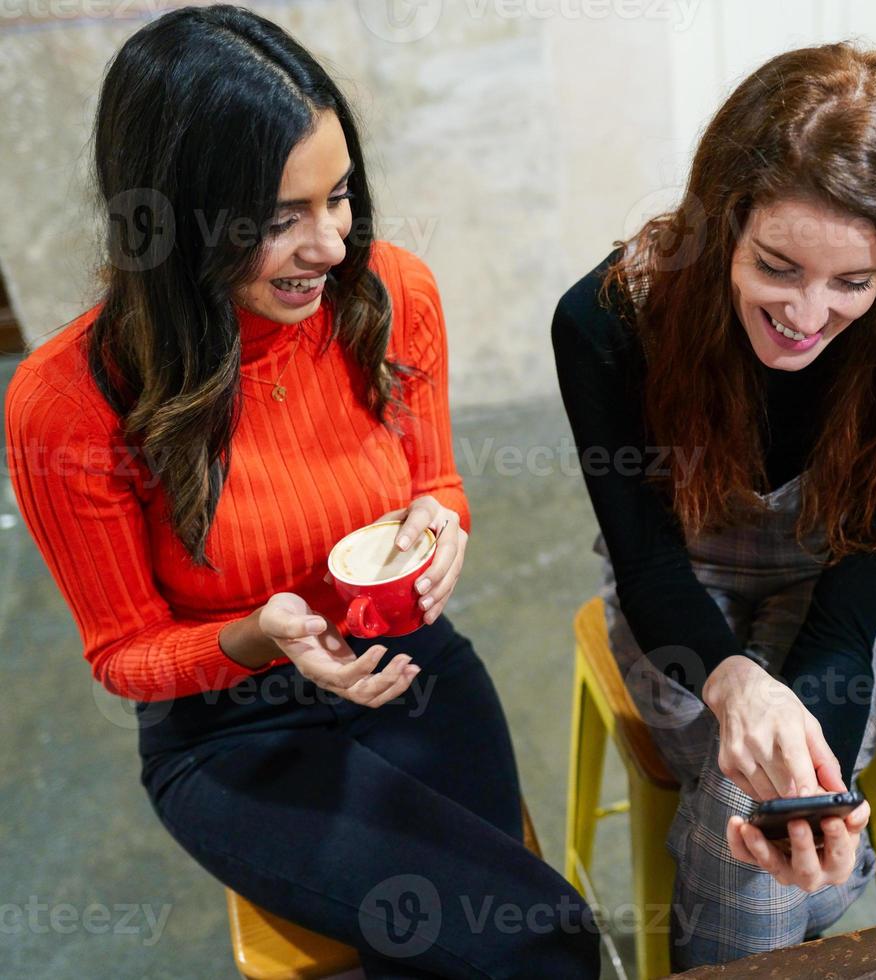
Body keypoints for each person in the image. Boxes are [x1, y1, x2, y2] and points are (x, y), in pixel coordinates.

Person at [5, 7, 598, 977]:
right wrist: (256, 634)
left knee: (501, 940)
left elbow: (433, 480)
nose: (329, 244)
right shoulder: (70, 402)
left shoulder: (391, 294)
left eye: (341, 196)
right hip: (235, 729)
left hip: (407, 663)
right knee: (539, 942)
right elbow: (122, 651)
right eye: (279, 220)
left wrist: (443, 519)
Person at [552, 43, 876, 968]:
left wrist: (801, 791)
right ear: (724, 223)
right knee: (763, 812)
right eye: (777, 266)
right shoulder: (608, 321)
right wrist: (735, 683)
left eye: (852, 283)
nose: (807, 314)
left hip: (836, 586)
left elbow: (843, 629)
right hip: (678, 603)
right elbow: (651, 566)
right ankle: (822, 883)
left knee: (752, 806)